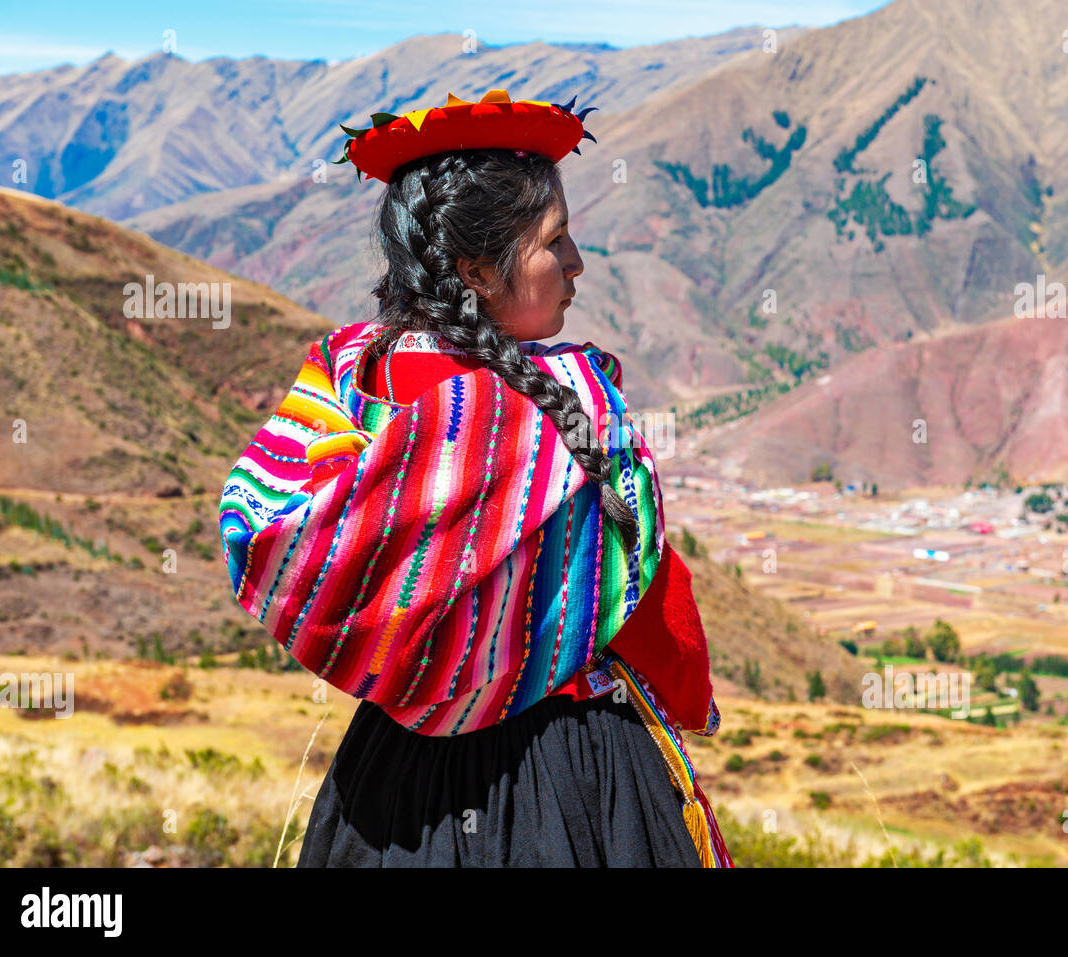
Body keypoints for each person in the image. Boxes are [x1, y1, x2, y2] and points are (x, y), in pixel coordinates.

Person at [218, 89, 731, 867]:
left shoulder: (351, 380)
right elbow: (657, 614)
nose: (576, 263)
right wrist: (689, 698)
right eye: (554, 242)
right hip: (571, 775)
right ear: (478, 270)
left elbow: (278, 533)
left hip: (390, 788)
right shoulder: (569, 407)